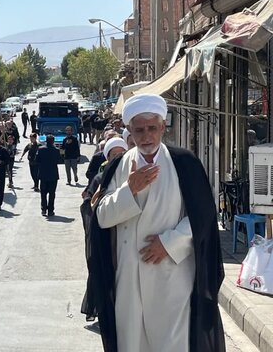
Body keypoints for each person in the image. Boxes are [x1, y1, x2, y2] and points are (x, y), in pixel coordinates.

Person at [91, 94, 225, 352]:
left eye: (152, 128)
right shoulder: (118, 166)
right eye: (139, 130)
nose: (146, 136)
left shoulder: (184, 163)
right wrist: (129, 191)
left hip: (172, 277)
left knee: (171, 344)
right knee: (132, 343)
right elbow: (102, 218)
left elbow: (204, 217)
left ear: (163, 127)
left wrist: (169, 244)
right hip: (128, 279)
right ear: (129, 130)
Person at [80, 137, 128, 322]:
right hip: (106, 237)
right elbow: (88, 202)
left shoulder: (132, 176)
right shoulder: (100, 178)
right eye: (113, 154)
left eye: (121, 153)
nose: (118, 157)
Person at [36, 134, 60, 217]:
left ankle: (43, 209)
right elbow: (59, 160)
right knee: (52, 193)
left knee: (43, 193)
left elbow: (37, 160)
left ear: (46, 140)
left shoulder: (40, 149)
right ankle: (50, 210)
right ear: (53, 141)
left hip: (43, 174)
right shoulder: (56, 150)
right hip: (53, 174)